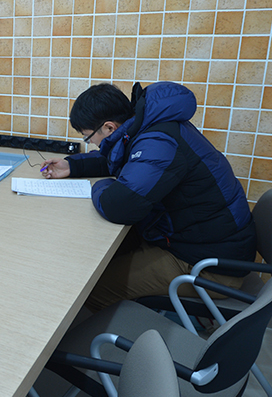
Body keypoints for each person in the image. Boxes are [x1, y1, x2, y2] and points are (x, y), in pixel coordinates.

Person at [42, 81, 256, 312]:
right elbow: (122, 159)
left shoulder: (159, 142)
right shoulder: (151, 127)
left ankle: (98, 332)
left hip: (208, 268)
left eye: (88, 137)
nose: (91, 144)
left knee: (87, 288)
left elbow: (118, 207)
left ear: (109, 127)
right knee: (94, 259)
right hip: (203, 244)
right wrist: (72, 166)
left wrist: (101, 186)